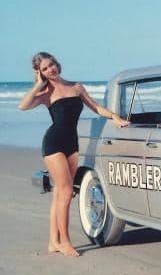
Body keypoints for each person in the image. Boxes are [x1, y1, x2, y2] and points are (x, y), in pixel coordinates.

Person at [18, 52, 129, 257]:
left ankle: (53, 241)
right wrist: (38, 84)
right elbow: (23, 105)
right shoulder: (45, 93)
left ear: (56, 63)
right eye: (45, 68)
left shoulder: (76, 87)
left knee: (60, 194)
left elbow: (95, 107)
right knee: (67, 191)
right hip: (53, 143)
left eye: (51, 64)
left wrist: (115, 117)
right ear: (40, 73)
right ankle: (65, 242)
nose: (51, 69)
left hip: (72, 143)